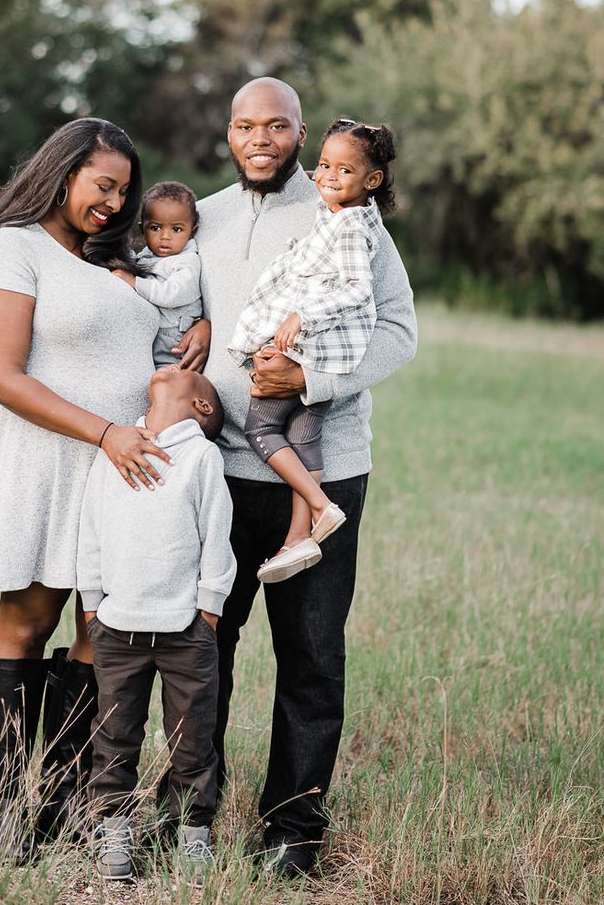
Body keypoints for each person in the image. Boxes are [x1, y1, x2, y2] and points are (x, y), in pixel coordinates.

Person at [0, 118, 209, 860]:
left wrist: (204, 327)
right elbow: (1, 377)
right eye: (104, 185)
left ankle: (61, 804)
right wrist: (103, 433)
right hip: (47, 464)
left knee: (103, 636)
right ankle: (0, 809)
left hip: (121, 479)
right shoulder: (14, 247)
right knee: (28, 622)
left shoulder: (110, 260)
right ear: (62, 172)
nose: (116, 203)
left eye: (125, 191)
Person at [196, 78, 417, 879]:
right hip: (216, 472)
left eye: (279, 126)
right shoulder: (206, 217)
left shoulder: (344, 214)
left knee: (313, 656)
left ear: (299, 135)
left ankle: (293, 829)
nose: (263, 139)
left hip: (326, 474)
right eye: (247, 126)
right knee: (202, 649)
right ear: (230, 133)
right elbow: (176, 317)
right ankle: (190, 808)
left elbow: (398, 331)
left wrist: (313, 385)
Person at [77, 367, 236, 883]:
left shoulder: (201, 457)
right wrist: (92, 602)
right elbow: (92, 526)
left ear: (202, 408)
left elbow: (217, 535)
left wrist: (208, 610)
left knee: (192, 737)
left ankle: (193, 833)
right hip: (117, 626)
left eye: (188, 374)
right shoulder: (117, 447)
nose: (173, 365)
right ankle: (113, 826)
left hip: (185, 630)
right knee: (114, 734)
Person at [229, 119, 395, 584]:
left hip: (316, 353)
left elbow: (357, 288)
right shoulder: (346, 216)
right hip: (327, 354)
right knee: (303, 437)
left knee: (260, 428)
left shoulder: (348, 225)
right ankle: (300, 534)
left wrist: (302, 315)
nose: (326, 176)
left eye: (343, 170)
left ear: (372, 180)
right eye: (324, 165)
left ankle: (320, 506)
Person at [112, 181, 202, 368]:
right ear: (143, 228)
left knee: (166, 376)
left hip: (174, 342)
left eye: (176, 229)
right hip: (151, 338)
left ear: (192, 231)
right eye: (155, 228)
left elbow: (172, 294)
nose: (165, 236)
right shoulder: (145, 256)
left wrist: (135, 282)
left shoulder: (187, 262)